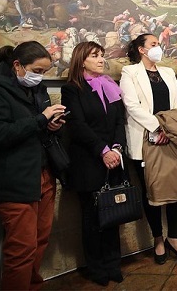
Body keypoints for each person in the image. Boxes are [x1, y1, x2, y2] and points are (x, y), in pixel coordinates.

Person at [0, 41, 65, 290]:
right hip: (14, 177)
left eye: (45, 72)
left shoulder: (37, 88)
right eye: (37, 70)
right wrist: (40, 120)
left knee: (39, 240)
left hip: (44, 173)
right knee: (21, 248)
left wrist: (51, 123)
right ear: (17, 65)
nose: (40, 77)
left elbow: (39, 123)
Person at [119, 33, 177, 263]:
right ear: (141, 50)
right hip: (145, 139)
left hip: (171, 138)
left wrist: (169, 130)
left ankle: (174, 237)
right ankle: (158, 239)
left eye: (158, 44)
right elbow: (131, 105)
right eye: (153, 44)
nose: (158, 47)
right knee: (151, 191)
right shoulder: (130, 73)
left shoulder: (168, 72)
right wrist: (156, 129)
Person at [61, 41, 126, 286]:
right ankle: (96, 267)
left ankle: (113, 264)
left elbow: (120, 121)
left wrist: (118, 148)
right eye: (95, 55)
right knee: (92, 219)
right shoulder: (72, 89)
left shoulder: (110, 85)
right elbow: (77, 125)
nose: (101, 59)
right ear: (81, 60)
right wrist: (103, 150)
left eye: (102, 55)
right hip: (89, 161)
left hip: (114, 160)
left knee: (113, 215)